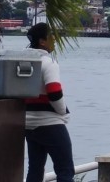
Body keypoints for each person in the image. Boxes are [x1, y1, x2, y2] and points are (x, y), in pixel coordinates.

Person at [24, 23, 74, 182]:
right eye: (52, 36)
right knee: (65, 170)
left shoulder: (21, 60)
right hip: (50, 123)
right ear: (42, 41)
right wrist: (63, 112)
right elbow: (54, 92)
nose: (55, 39)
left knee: (35, 169)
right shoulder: (48, 62)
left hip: (28, 124)